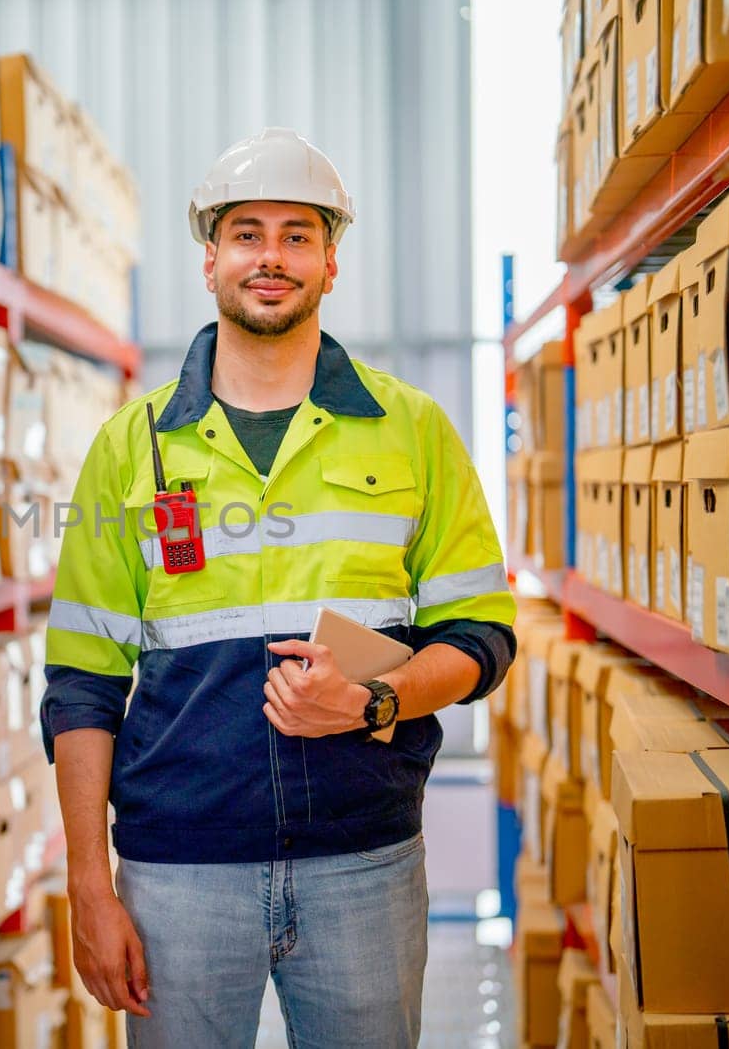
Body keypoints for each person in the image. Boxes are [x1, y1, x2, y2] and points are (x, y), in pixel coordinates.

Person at [40, 128, 517, 1048]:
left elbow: (479, 636)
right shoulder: (130, 449)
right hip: (177, 874)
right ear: (210, 258)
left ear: (331, 262)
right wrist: (89, 885)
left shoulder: (410, 430)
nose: (272, 256)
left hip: (363, 863)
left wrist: (371, 697)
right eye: (247, 232)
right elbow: (82, 682)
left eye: (298, 235)